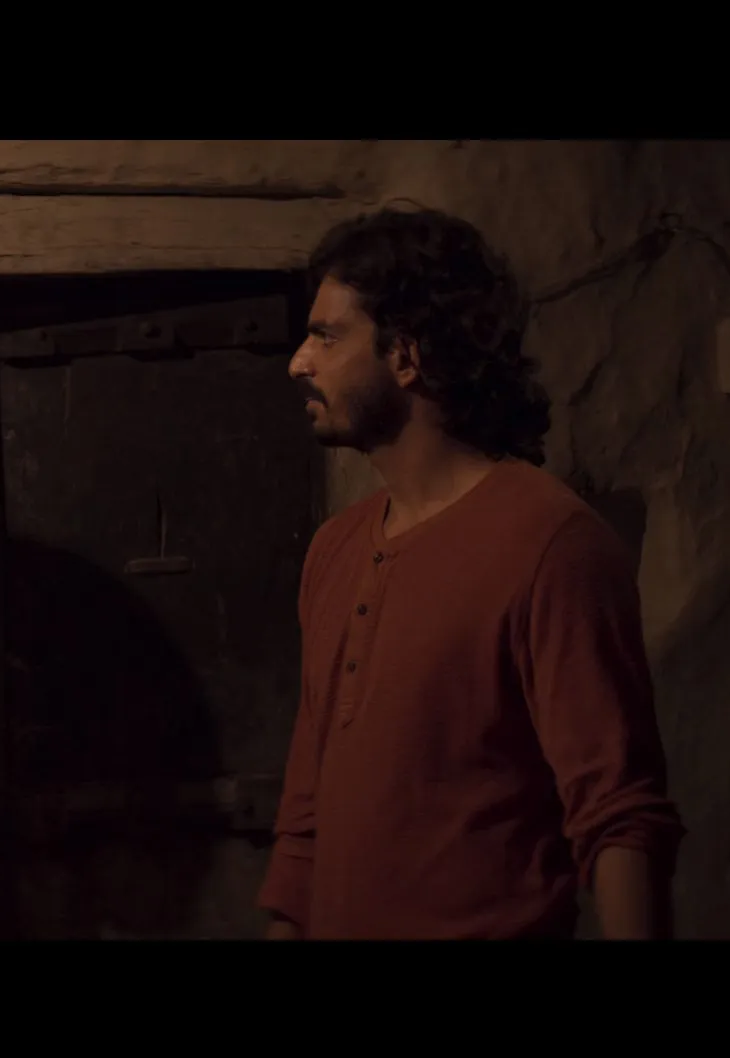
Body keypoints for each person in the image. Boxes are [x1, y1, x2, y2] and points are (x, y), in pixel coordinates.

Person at [259, 207, 685, 940]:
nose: (299, 362)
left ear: (406, 356)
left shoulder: (550, 543)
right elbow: (305, 820)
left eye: (327, 336)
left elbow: (619, 814)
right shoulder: (335, 549)